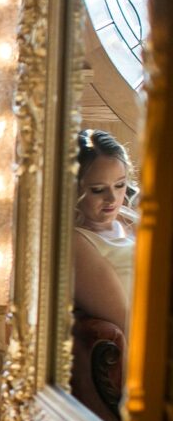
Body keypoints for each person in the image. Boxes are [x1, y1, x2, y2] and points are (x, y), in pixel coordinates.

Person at [72, 129, 137, 336]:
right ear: (71, 188)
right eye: (98, 190)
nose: (113, 199)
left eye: (120, 185)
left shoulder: (129, 216)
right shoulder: (76, 243)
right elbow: (126, 320)